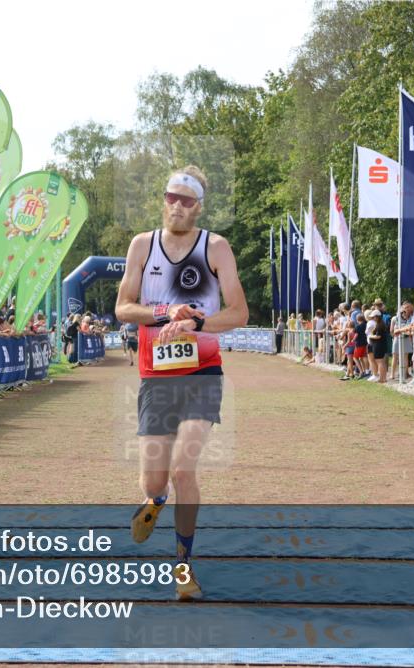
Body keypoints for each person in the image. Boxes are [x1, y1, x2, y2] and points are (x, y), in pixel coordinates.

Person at [115, 164, 248, 601]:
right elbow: (123, 308)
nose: (176, 205)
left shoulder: (217, 247)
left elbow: (239, 314)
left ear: (198, 206)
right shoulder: (142, 246)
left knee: (182, 469)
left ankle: (183, 568)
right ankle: (154, 504)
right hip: (156, 377)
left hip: (202, 375)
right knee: (155, 483)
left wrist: (197, 322)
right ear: (163, 199)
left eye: (185, 200)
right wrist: (162, 314)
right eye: (171, 197)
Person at [369, 310, 389, 382]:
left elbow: (378, 336)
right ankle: (384, 378)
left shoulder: (379, 325)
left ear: (377, 317)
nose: (373, 318)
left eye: (373, 317)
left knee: (380, 362)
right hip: (381, 345)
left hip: (378, 345)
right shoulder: (381, 324)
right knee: (382, 362)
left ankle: (381, 379)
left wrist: (370, 336)